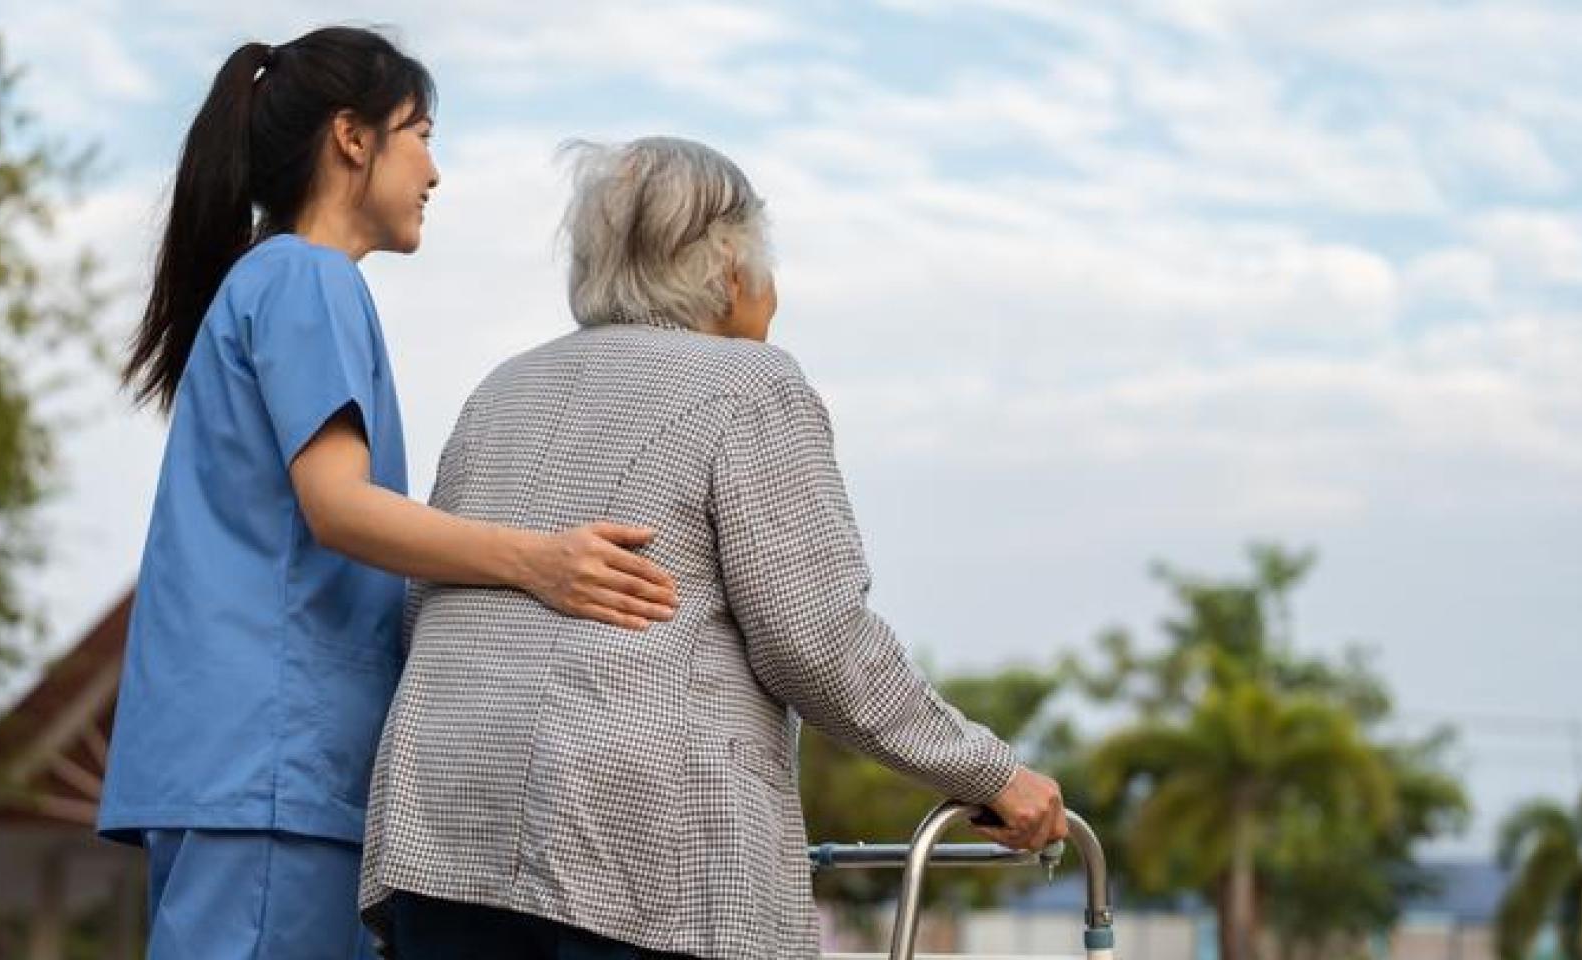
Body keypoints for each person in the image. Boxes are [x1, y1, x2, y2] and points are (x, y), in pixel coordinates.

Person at [360, 136, 1069, 960]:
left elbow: (428, 605)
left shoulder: (502, 388)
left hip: (441, 823)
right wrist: (990, 773)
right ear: (732, 269)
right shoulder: (751, 385)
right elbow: (820, 643)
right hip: (629, 847)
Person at [98, 29, 678, 959]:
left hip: (251, 768)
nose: (434, 171)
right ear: (351, 138)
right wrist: (542, 562)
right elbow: (339, 506)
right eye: (422, 135)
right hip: (273, 769)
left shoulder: (269, 281)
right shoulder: (306, 277)